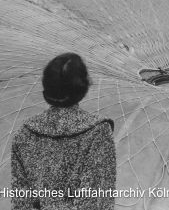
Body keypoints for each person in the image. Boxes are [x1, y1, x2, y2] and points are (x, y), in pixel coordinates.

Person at [11, 53, 116, 210]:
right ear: (83, 87)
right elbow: (97, 202)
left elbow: (21, 203)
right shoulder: (98, 133)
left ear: (46, 89)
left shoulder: (23, 134)